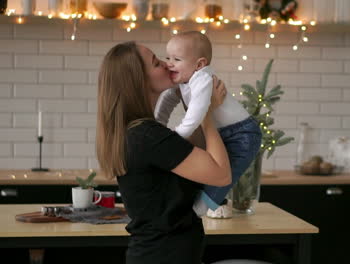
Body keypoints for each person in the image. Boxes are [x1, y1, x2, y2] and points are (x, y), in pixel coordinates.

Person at [95, 41, 231, 264]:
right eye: (157, 63)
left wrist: (198, 107)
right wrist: (207, 112)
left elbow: (195, 155)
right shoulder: (147, 136)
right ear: (139, 80)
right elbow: (221, 174)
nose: (168, 65)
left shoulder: (141, 132)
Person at [155, 31, 262, 218]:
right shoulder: (184, 80)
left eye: (177, 59)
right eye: (167, 57)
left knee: (225, 175)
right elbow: (168, 100)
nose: (169, 63)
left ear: (199, 64)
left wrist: (173, 138)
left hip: (243, 134)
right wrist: (158, 126)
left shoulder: (202, 79)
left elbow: (195, 116)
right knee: (206, 167)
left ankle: (201, 208)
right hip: (221, 132)